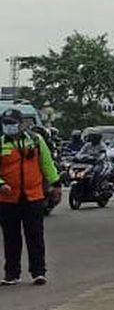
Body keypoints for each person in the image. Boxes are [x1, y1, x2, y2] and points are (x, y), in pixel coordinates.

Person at [0, 108, 60, 286]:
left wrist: (55, 184)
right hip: (8, 198)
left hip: (33, 196)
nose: (9, 127)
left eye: (12, 123)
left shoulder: (35, 141)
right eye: (6, 123)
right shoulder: (2, 143)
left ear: (21, 124)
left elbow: (46, 163)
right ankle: (12, 274)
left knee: (35, 236)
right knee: (11, 238)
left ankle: (38, 272)